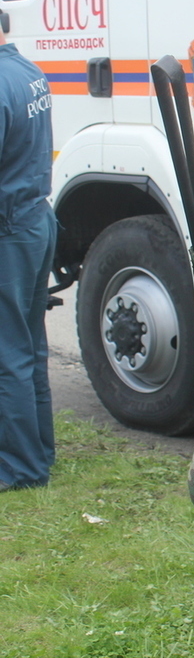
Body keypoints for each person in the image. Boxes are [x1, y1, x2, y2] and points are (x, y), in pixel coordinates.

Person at [0, 27, 57, 493]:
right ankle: (39, 450)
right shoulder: (27, 71)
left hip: (10, 231)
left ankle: (20, 468)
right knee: (31, 348)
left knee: (8, 354)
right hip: (36, 219)